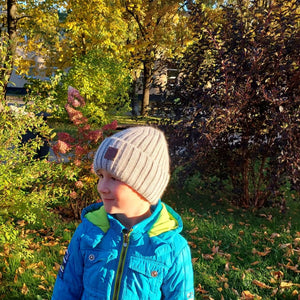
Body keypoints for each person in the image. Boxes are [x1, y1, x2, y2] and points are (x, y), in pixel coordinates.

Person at [52, 126, 194, 300]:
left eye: (114, 178)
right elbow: (65, 289)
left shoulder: (172, 248)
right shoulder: (88, 233)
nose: (101, 187)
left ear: (143, 186)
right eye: (100, 176)